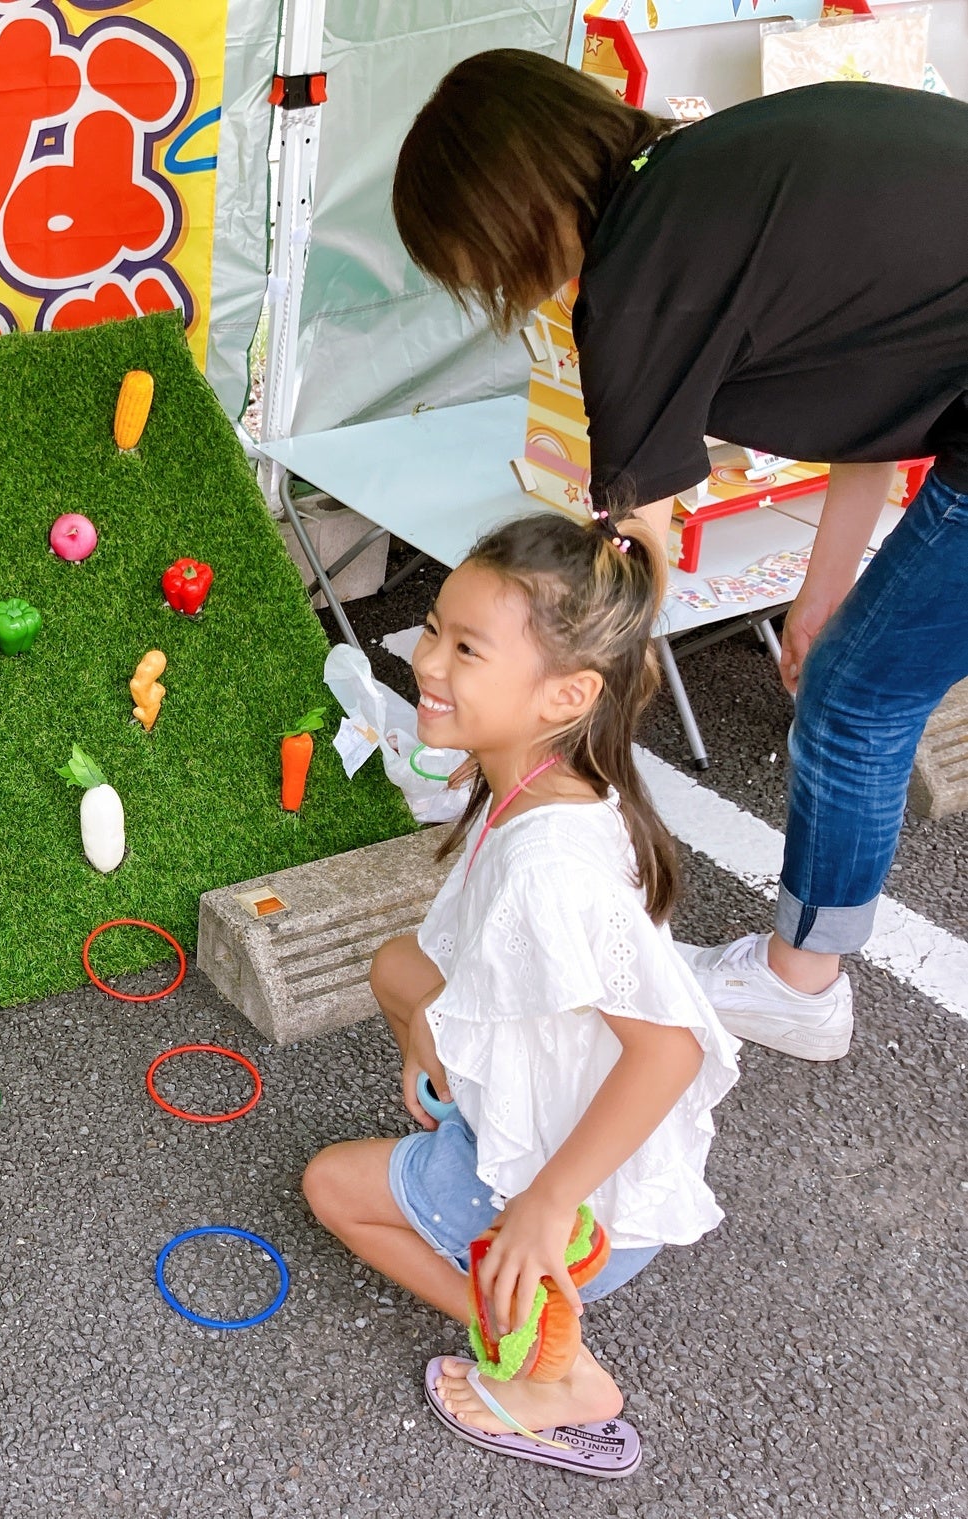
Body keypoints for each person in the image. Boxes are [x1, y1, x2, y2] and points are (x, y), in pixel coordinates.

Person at [391, 52, 968, 1062]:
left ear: (503, 217)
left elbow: (628, 568)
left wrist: (538, 736)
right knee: (850, 675)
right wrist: (822, 591)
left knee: (855, 705)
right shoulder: (709, 170)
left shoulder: (641, 279)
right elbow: (882, 377)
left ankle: (802, 987)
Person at [301, 513, 741, 1474]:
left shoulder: (548, 861)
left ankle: (550, 1347)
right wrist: (428, 1028)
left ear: (565, 694)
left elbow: (668, 1049)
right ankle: (493, 1195)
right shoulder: (544, 774)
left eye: (467, 647)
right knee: (397, 968)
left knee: (329, 1186)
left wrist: (543, 1204)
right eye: (433, 629)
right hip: (552, 1137)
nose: (427, 659)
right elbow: (434, 972)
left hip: (576, 1204)